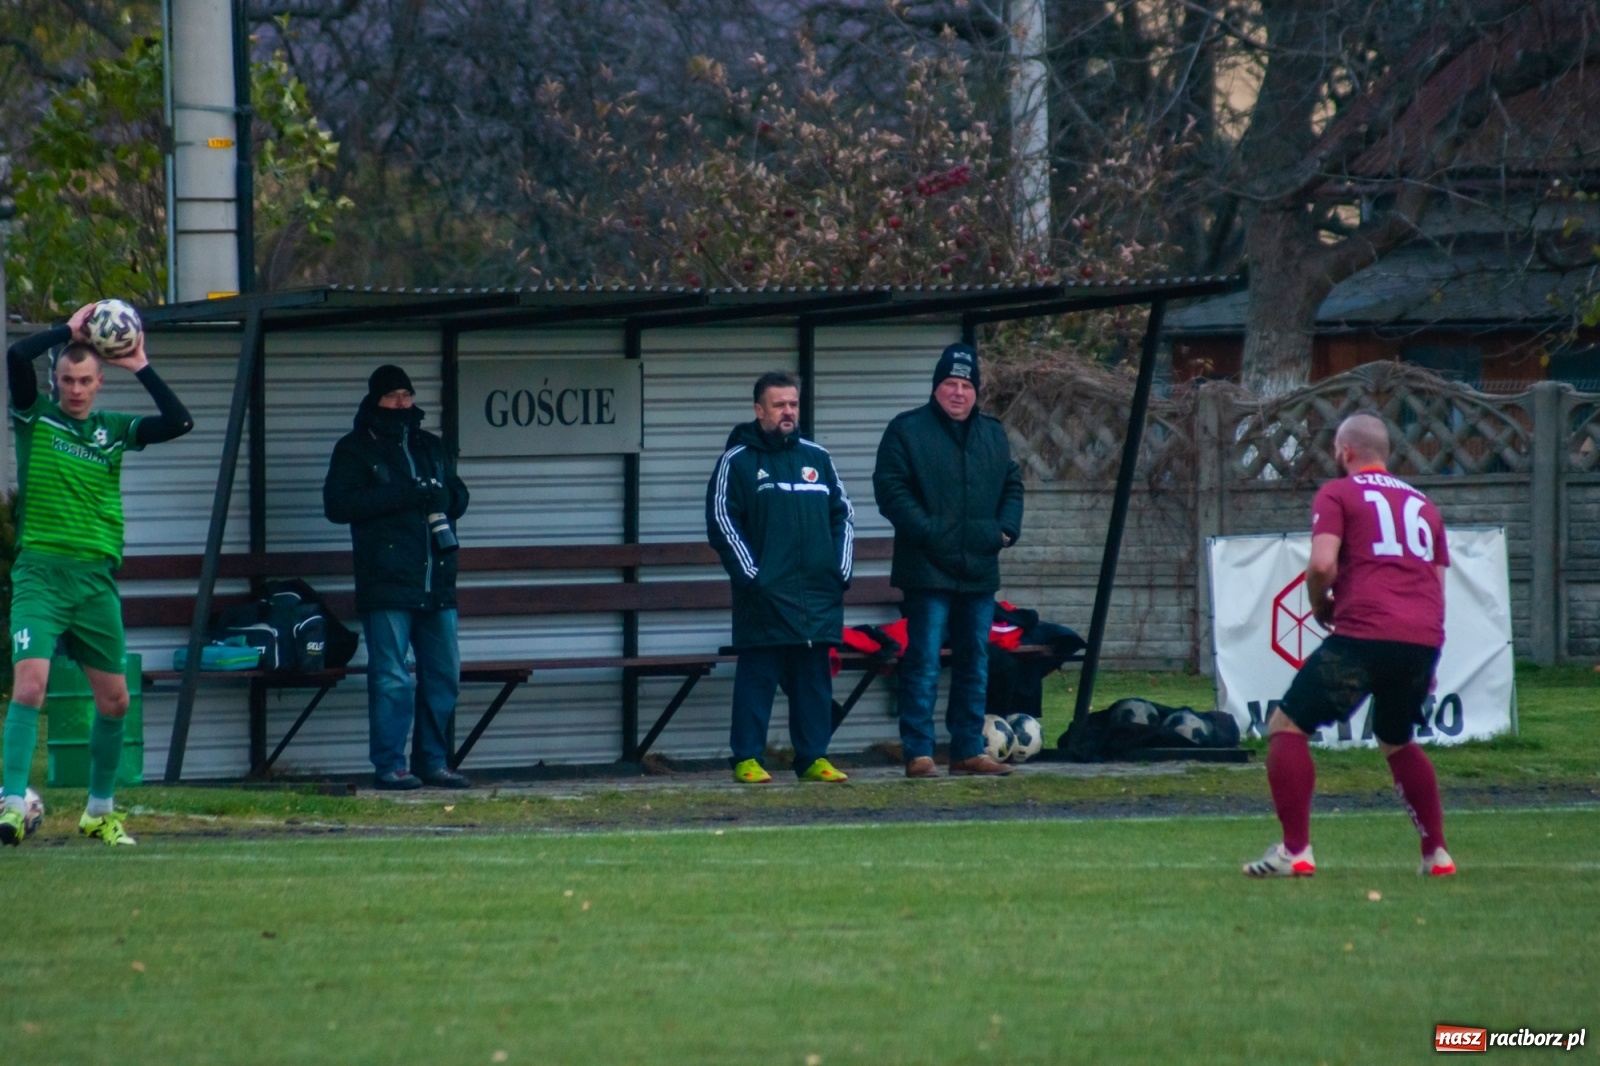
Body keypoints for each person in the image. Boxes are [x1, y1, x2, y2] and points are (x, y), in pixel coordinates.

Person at [1, 302, 194, 847]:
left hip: (94, 580)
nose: (76, 389)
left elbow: (180, 422)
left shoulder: (113, 431)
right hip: (41, 572)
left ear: (100, 382)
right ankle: (12, 803)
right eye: (67, 379)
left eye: (86, 381)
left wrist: (141, 364)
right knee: (31, 684)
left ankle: (99, 812)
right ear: (56, 380)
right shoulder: (35, 416)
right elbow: (16, 353)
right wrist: (71, 329)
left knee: (115, 702)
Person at [1244, 413, 1455, 878]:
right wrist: (1430, 654)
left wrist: (1321, 605)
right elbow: (1438, 587)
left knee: (1287, 725)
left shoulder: (1338, 492)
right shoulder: (1425, 504)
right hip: (1421, 640)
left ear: (1345, 452)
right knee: (1397, 739)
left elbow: (1321, 565)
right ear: (1387, 453)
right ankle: (1436, 853)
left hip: (1364, 632)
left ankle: (1295, 851)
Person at [873, 342, 1023, 778]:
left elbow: (1012, 485)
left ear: (976, 391)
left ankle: (967, 750)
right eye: (949, 384)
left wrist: (1004, 531)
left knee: (975, 658)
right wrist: (929, 532)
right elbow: (891, 489)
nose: (958, 393)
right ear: (935, 388)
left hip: (978, 567)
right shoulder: (906, 431)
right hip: (926, 569)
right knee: (923, 659)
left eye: (965, 385)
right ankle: (918, 753)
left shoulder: (993, 434)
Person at [324, 365, 471, 791]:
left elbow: (459, 495)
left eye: (407, 394)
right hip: (386, 581)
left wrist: (447, 498)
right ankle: (391, 766)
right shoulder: (354, 449)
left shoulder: (429, 445)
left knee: (444, 676)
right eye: (393, 396)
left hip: (436, 581)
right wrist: (403, 495)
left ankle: (433, 762)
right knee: (392, 678)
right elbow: (337, 505)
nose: (402, 403)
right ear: (376, 400)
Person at [706, 371, 854, 784]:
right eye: (778, 405)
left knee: (813, 680)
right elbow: (722, 522)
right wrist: (754, 578)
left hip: (817, 594)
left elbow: (843, 515)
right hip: (765, 595)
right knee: (758, 678)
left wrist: (839, 572)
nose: (788, 412)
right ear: (759, 410)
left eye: (793, 404)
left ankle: (812, 758)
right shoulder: (737, 461)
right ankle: (748, 758)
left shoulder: (817, 458)